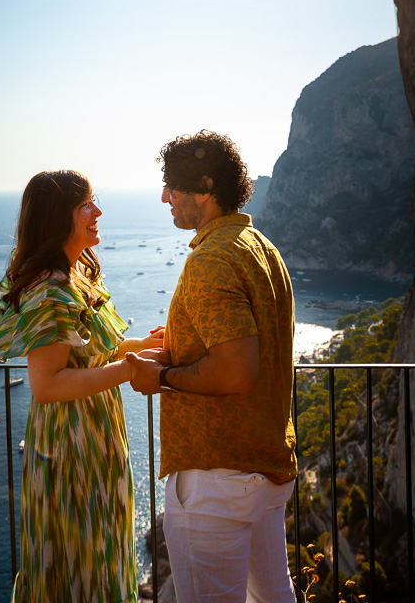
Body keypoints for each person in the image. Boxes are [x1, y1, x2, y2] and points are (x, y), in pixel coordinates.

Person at [127, 131, 298, 603]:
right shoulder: (259, 247)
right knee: (274, 597)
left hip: (216, 479)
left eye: (173, 188)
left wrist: (159, 377)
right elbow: (248, 350)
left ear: (205, 187)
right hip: (263, 467)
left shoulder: (211, 261)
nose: (165, 197)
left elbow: (235, 371)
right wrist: (178, 351)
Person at [0, 170, 163, 603]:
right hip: (70, 449)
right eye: (86, 205)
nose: (98, 211)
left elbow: (91, 350)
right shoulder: (49, 288)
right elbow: (47, 384)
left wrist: (146, 345)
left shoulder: (77, 275)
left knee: (100, 556)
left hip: (95, 438)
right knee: (80, 565)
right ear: (56, 217)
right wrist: (129, 369)